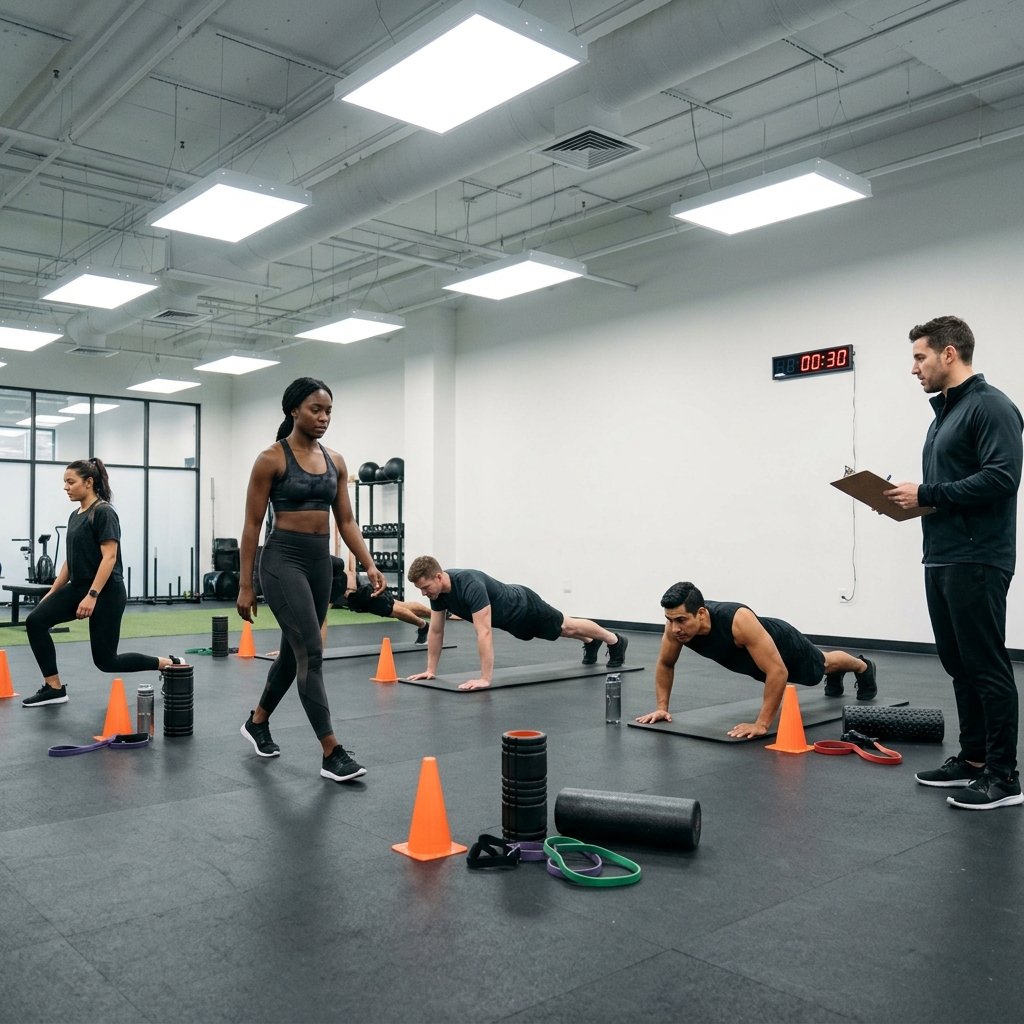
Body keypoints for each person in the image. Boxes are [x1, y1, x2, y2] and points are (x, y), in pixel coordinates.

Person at [885, 316, 1023, 810]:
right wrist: (909, 500)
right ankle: (974, 759)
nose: (914, 368)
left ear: (949, 353)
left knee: (986, 666)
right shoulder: (945, 414)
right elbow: (950, 488)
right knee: (959, 665)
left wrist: (927, 492)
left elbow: (1002, 478)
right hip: (942, 555)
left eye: (919, 357)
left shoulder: (991, 406)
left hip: (978, 556)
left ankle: (1004, 778)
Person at [237, 377, 386, 782]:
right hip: (282, 561)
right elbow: (252, 524)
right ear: (294, 411)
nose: (323, 418)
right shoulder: (271, 459)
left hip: (320, 564)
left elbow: (347, 520)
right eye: (315, 410)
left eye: (328, 411)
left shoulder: (336, 460)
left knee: (294, 653)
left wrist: (368, 563)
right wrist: (246, 585)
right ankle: (331, 752)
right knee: (312, 652)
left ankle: (257, 722)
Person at [21, 458, 183, 707]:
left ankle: (169, 664)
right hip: (79, 586)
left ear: (89, 482)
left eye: (71, 482)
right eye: (65, 482)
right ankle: (54, 688)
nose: (66, 487)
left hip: (107, 591)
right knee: (35, 621)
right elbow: (70, 561)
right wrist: (52, 592)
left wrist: (92, 595)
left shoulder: (104, 512)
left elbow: (110, 557)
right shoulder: (75, 515)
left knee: (106, 661)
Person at [635, 582, 877, 739]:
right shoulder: (675, 628)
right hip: (752, 658)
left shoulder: (737, 620)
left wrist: (761, 724)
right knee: (808, 669)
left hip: (784, 643)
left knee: (821, 666)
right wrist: (662, 708)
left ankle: (863, 666)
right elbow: (666, 663)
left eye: (681, 620)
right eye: (670, 620)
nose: (675, 628)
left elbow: (778, 672)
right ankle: (838, 673)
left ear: (701, 613)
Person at [405, 555, 628, 690]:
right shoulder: (438, 594)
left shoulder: (469, 584)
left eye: (425, 587)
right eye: (420, 589)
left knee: (565, 626)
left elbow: (484, 633)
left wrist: (485, 679)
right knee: (559, 632)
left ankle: (615, 640)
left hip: (524, 606)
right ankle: (590, 641)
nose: (424, 593)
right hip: (513, 623)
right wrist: (430, 670)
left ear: (439, 577)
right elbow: (436, 631)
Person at [323, 553, 431, 646]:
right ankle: (436, 614)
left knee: (390, 609)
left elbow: (349, 571)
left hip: (360, 593)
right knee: (399, 605)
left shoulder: (324, 560)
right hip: (352, 600)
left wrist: (350, 589)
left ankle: (424, 625)